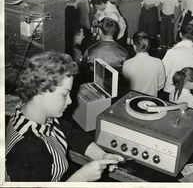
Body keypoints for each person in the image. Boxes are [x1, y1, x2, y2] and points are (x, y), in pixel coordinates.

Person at [5, 51, 124, 181]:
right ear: (41, 91)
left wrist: (102, 155)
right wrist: (80, 178)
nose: (70, 101)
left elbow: (69, 133)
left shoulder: (30, 113)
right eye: (64, 94)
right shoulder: (28, 150)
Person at [162, 24, 193, 97]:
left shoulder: (172, 52)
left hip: (170, 90)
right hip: (186, 93)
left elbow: (163, 72)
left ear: (180, 34)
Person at [122, 32, 165, 97]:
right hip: (152, 102)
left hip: (133, 101)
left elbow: (125, 85)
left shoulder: (127, 64)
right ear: (149, 46)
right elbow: (161, 85)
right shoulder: (158, 62)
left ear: (134, 46)